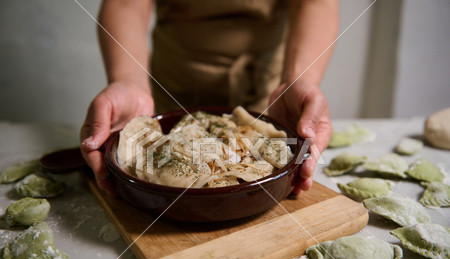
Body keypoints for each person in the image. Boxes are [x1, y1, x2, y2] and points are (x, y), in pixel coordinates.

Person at [80, 0, 339, 196]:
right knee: (155, 157)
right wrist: (128, 80)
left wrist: (297, 80)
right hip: (171, 88)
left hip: (271, 97)